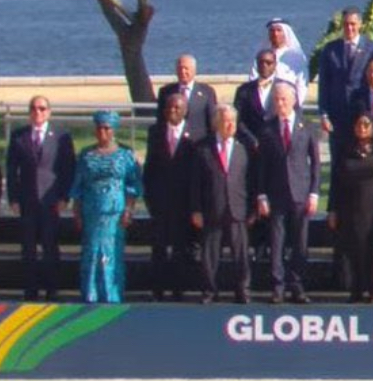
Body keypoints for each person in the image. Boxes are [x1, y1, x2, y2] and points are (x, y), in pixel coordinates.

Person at [257, 82, 321, 304]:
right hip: (276, 195)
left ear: (294, 101)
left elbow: (315, 163)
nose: (280, 104)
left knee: (300, 242)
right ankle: (278, 287)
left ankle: (298, 286)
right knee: (276, 243)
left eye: (283, 99)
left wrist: (314, 193)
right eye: (276, 100)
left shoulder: (307, 127)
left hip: (300, 194)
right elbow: (261, 166)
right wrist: (262, 195)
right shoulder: (267, 129)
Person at [5, 95, 75, 301]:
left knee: (50, 247)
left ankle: (52, 290)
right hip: (27, 201)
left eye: (42, 108)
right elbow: (11, 170)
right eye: (34, 109)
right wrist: (13, 199)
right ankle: (30, 291)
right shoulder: (19, 136)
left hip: (51, 201)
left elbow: (68, 168)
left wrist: (64, 197)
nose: (38, 112)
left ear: (49, 112)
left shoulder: (61, 137)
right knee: (28, 249)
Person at [69, 110, 142, 303]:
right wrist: (76, 211)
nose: (103, 132)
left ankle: (112, 295)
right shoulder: (86, 155)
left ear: (113, 130)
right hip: (91, 211)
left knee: (111, 253)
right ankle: (91, 294)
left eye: (107, 128)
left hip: (115, 213)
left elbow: (133, 186)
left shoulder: (125, 155)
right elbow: (78, 185)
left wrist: (129, 209)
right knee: (92, 252)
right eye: (99, 128)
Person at [190, 104, 256, 304]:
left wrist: (252, 209)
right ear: (216, 123)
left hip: (238, 210)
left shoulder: (243, 148)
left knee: (241, 255)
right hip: (212, 209)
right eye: (226, 121)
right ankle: (210, 291)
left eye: (233, 121)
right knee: (210, 255)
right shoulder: (203, 149)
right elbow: (195, 182)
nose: (230, 125)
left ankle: (243, 290)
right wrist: (196, 209)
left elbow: (251, 180)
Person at [328, 112, 373, 303]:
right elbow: (335, 182)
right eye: (359, 124)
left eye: (367, 124)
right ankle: (355, 289)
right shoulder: (345, 149)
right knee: (353, 249)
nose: (362, 128)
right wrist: (332, 209)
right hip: (350, 209)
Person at [143, 91, 199, 300]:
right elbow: (150, 168)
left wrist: (194, 204)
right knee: (158, 249)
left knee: (180, 249)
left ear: (185, 110)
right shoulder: (155, 132)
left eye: (177, 108)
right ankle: (157, 290)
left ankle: (178, 291)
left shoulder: (195, 135)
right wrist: (149, 199)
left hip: (183, 204)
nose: (172, 111)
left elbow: (196, 175)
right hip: (160, 202)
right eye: (169, 107)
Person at [317, 7, 373, 140]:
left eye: (353, 24)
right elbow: (324, 84)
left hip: (362, 114)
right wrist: (324, 114)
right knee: (338, 158)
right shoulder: (330, 50)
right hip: (337, 115)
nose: (349, 28)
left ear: (360, 24)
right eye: (346, 24)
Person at [157, 54, 218, 143]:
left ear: (194, 70)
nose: (183, 71)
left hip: (197, 144)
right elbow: (161, 121)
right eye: (180, 68)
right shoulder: (166, 92)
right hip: (173, 143)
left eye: (186, 68)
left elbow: (212, 121)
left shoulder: (207, 92)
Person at [255, 18, 309, 104]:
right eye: (272, 31)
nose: (275, 34)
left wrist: (297, 104)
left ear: (286, 33)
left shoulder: (297, 56)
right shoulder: (262, 55)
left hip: (288, 103)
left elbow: (302, 84)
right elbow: (253, 78)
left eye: (279, 30)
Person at [233, 50, 282, 141]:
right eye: (261, 62)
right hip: (251, 145)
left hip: (278, 143)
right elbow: (238, 119)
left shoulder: (285, 88)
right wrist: (252, 140)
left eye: (268, 63)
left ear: (275, 65)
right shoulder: (244, 90)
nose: (264, 65)